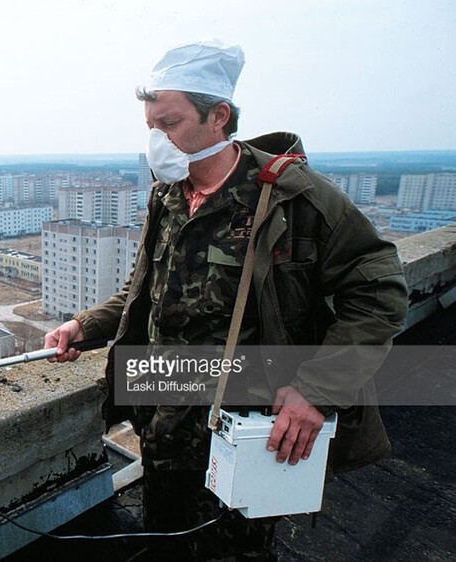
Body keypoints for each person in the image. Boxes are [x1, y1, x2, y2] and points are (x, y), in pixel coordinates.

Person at [44, 39, 408, 560]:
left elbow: (379, 291)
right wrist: (86, 325)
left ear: (218, 117)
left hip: (241, 433)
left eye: (168, 125)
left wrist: (317, 390)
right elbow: (146, 288)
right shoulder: (167, 194)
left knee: (236, 554)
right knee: (165, 544)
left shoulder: (288, 197)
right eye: (150, 126)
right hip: (165, 427)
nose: (156, 140)